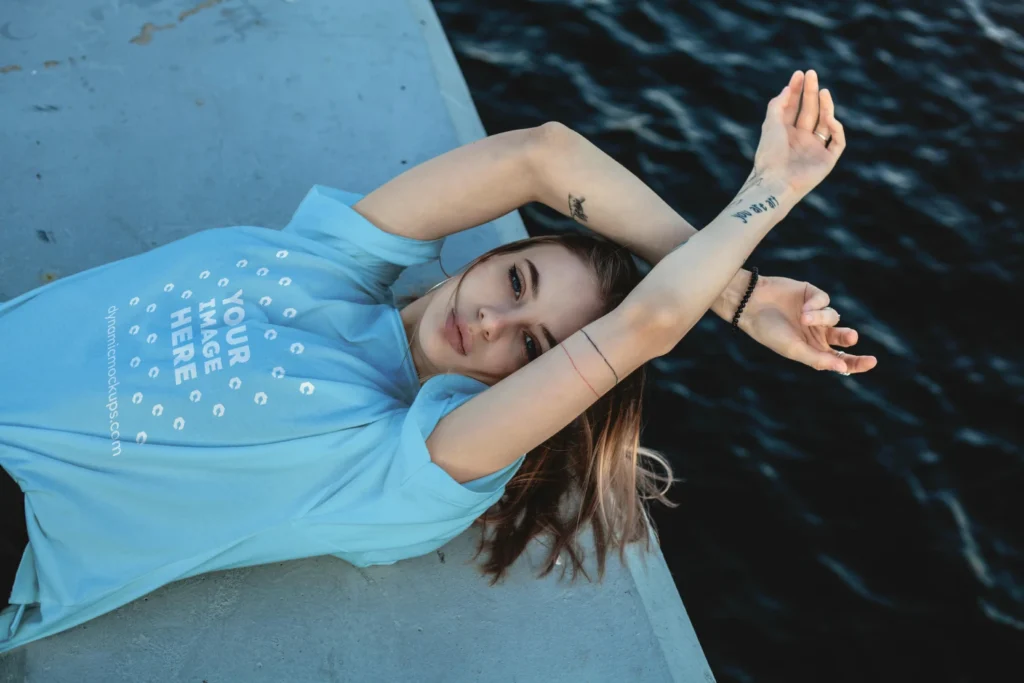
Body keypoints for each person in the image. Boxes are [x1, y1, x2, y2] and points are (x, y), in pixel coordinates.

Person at [0, 69, 875, 652]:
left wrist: (771, 191)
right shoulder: (328, 256)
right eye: (517, 279)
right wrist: (741, 286)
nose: (493, 319)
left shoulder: (406, 465)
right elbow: (540, 155)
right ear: (485, 257)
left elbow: (645, 325)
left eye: (532, 348)